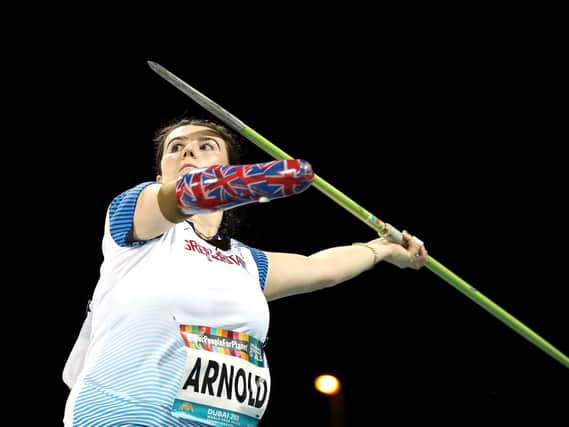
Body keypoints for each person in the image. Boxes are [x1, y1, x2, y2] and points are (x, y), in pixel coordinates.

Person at [62, 117, 428, 426]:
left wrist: (382, 249)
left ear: (229, 166)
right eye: (175, 147)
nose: (188, 151)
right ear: (160, 172)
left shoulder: (246, 264)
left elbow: (322, 268)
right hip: (123, 414)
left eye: (206, 145)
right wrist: (253, 181)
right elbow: (183, 197)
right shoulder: (135, 225)